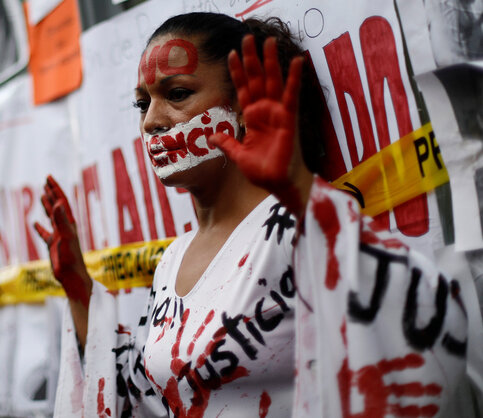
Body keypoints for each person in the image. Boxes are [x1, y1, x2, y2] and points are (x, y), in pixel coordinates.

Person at [35, 12, 479, 417]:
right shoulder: (173, 260)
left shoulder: (297, 225)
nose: (152, 120)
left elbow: (425, 323)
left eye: (177, 94)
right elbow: (144, 394)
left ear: (244, 107)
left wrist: (301, 191)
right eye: (142, 103)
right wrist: (78, 287)